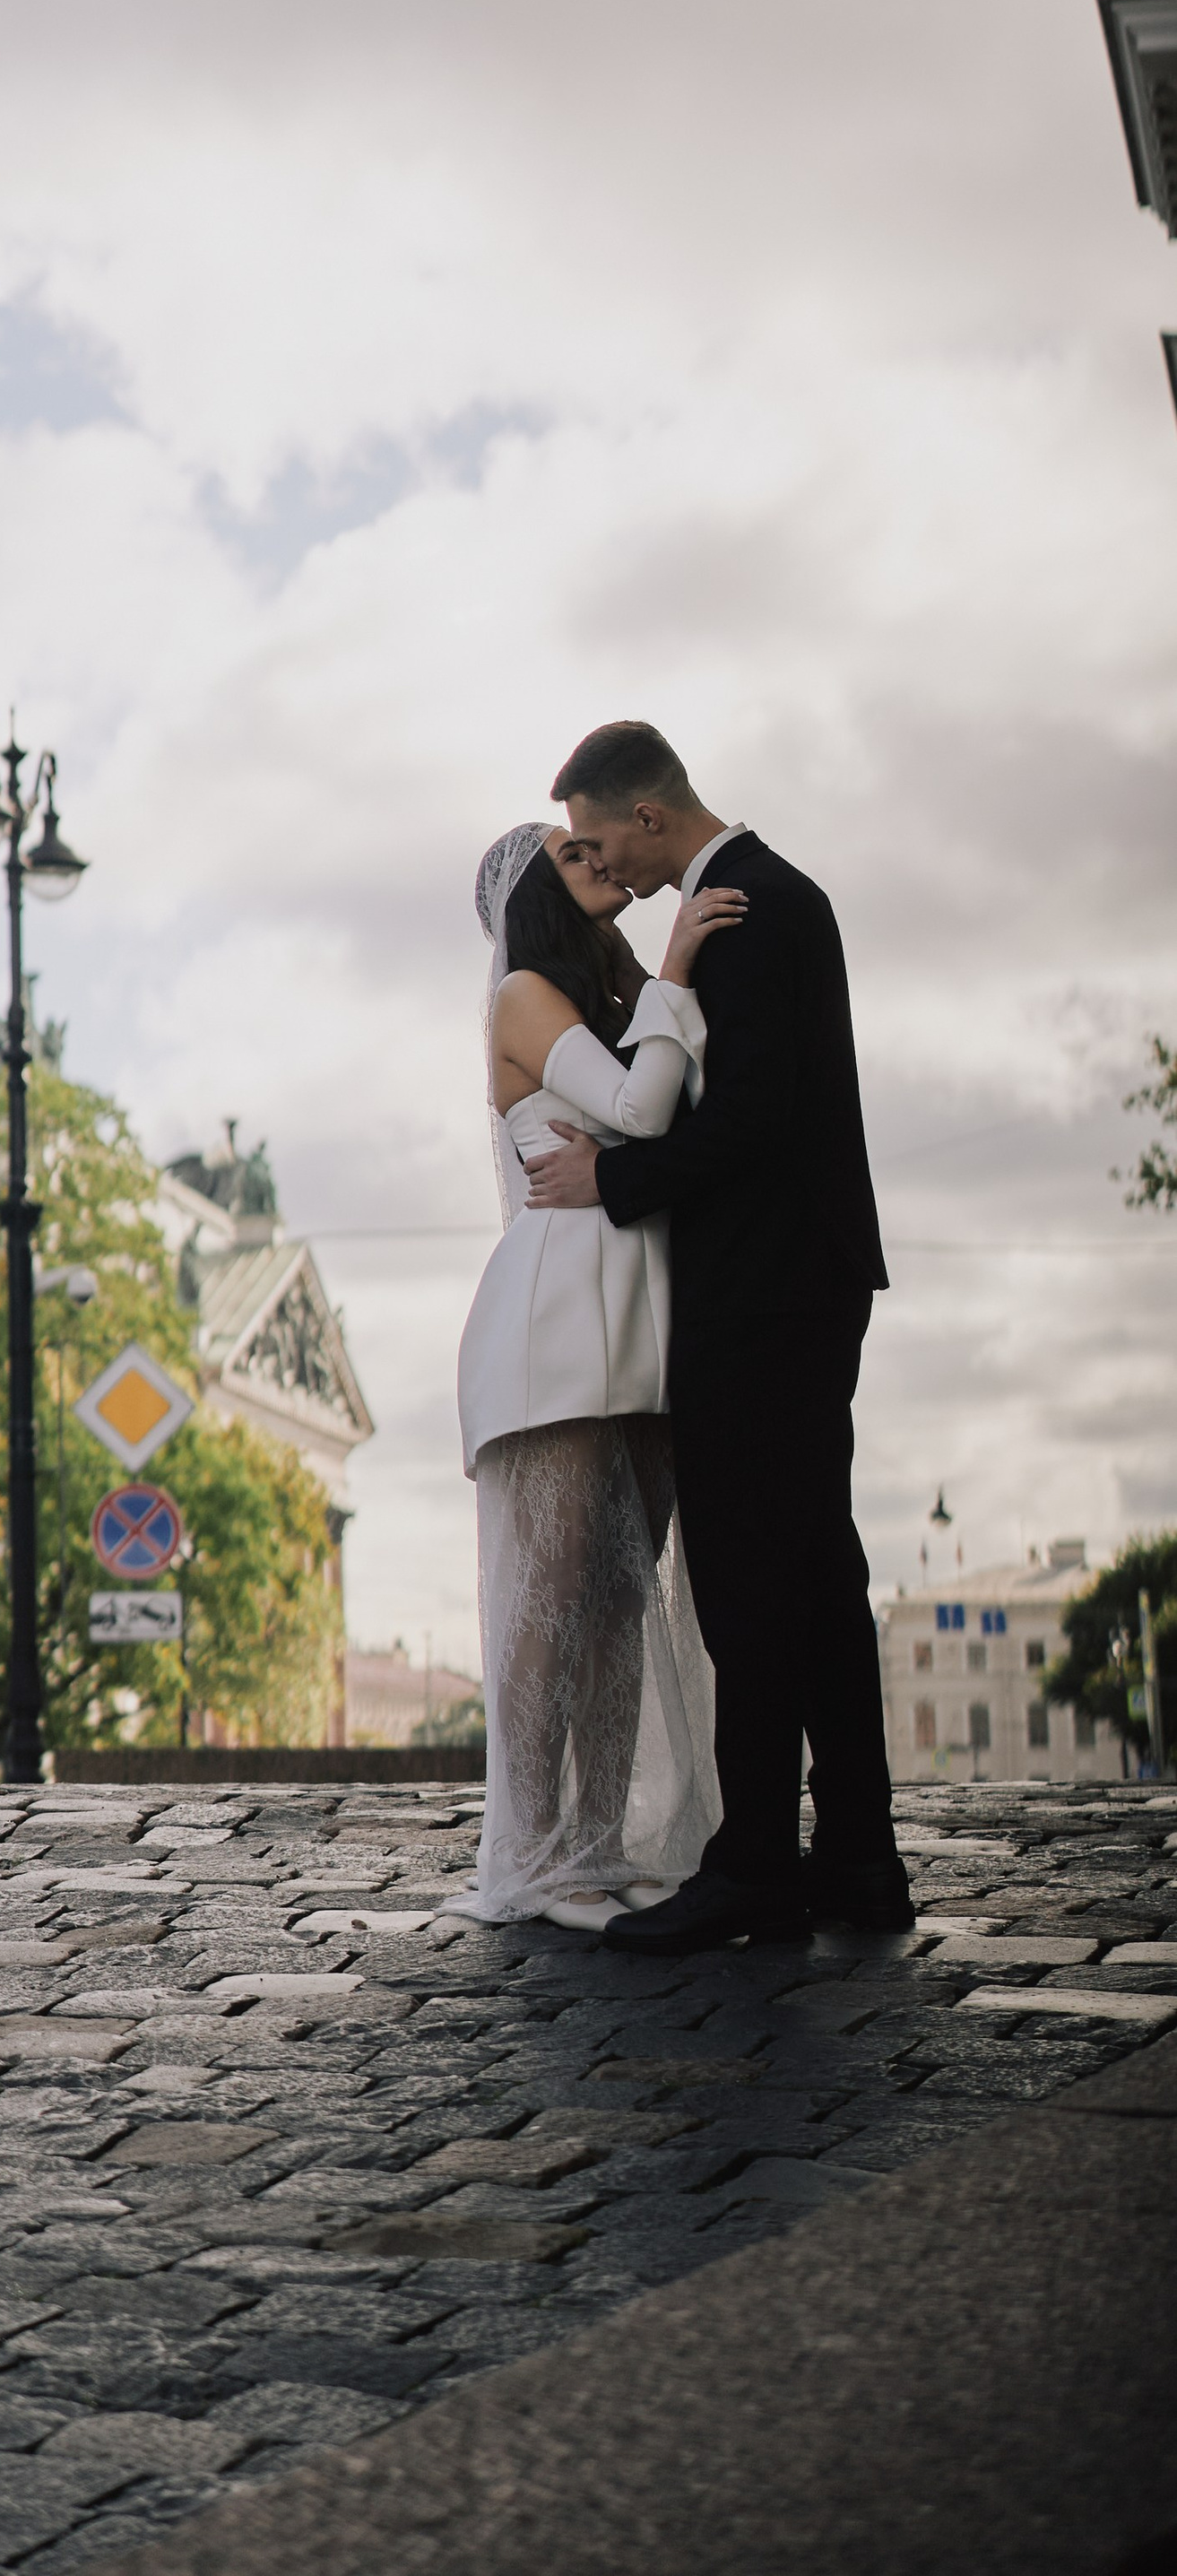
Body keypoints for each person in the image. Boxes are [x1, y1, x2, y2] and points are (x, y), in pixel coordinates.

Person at [524, 720, 911, 1950]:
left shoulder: (745, 908)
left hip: (764, 1291)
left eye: (600, 841)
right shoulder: (779, 897)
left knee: (748, 1576)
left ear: (648, 816)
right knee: (818, 1576)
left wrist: (616, 1184)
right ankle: (855, 1854)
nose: (607, 872)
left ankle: (756, 1864)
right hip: (805, 1280)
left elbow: (750, 1121)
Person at [459, 821, 736, 1927]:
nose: (603, 861)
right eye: (574, 859)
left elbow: (660, 1116)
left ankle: (599, 1837)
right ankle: (533, 1849)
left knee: (620, 1594)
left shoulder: (614, 998)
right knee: (553, 1588)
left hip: (645, 1312)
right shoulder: (524, 992)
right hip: (555, 1318)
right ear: (535, 894)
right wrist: (675, 968)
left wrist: (656, 989)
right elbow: (637, 1110)